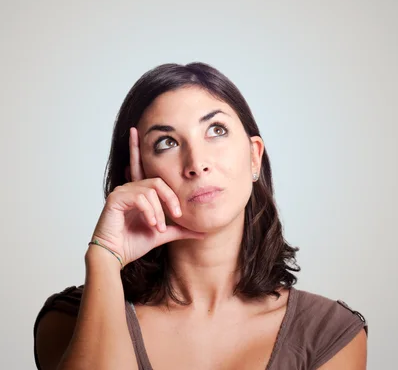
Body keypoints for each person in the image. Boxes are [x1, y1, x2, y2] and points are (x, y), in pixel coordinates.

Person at [34, 62, 368, 370]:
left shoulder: (330, 333)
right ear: (137, 176)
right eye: (166, 142)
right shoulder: (70, 319)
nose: (197, 163)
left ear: (254, 157)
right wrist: (104, 257)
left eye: (216, 130)